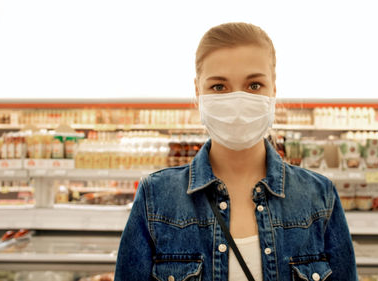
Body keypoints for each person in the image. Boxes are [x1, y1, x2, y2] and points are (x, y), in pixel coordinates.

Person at [115, 22, 357, 281]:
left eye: (254, 86)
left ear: (273, 90)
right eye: (219, 87)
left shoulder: (319, 198)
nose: (238, 102)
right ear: (198, 92)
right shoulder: (156, 197)